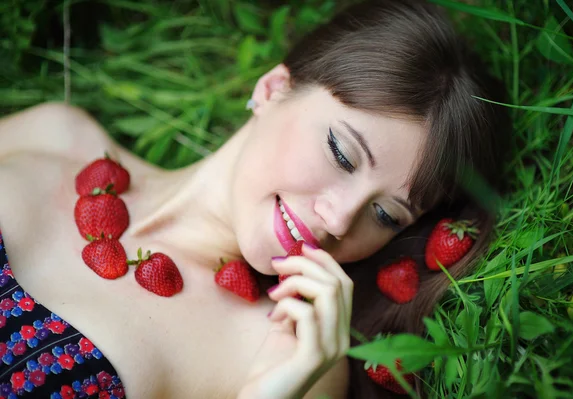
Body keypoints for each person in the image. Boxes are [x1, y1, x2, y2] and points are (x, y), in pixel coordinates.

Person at [0, 0, 511, 397]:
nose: (337, 219)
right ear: (272, 88)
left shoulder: (281, 359)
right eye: (342, 153)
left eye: (384, 214)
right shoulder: (55, 134)